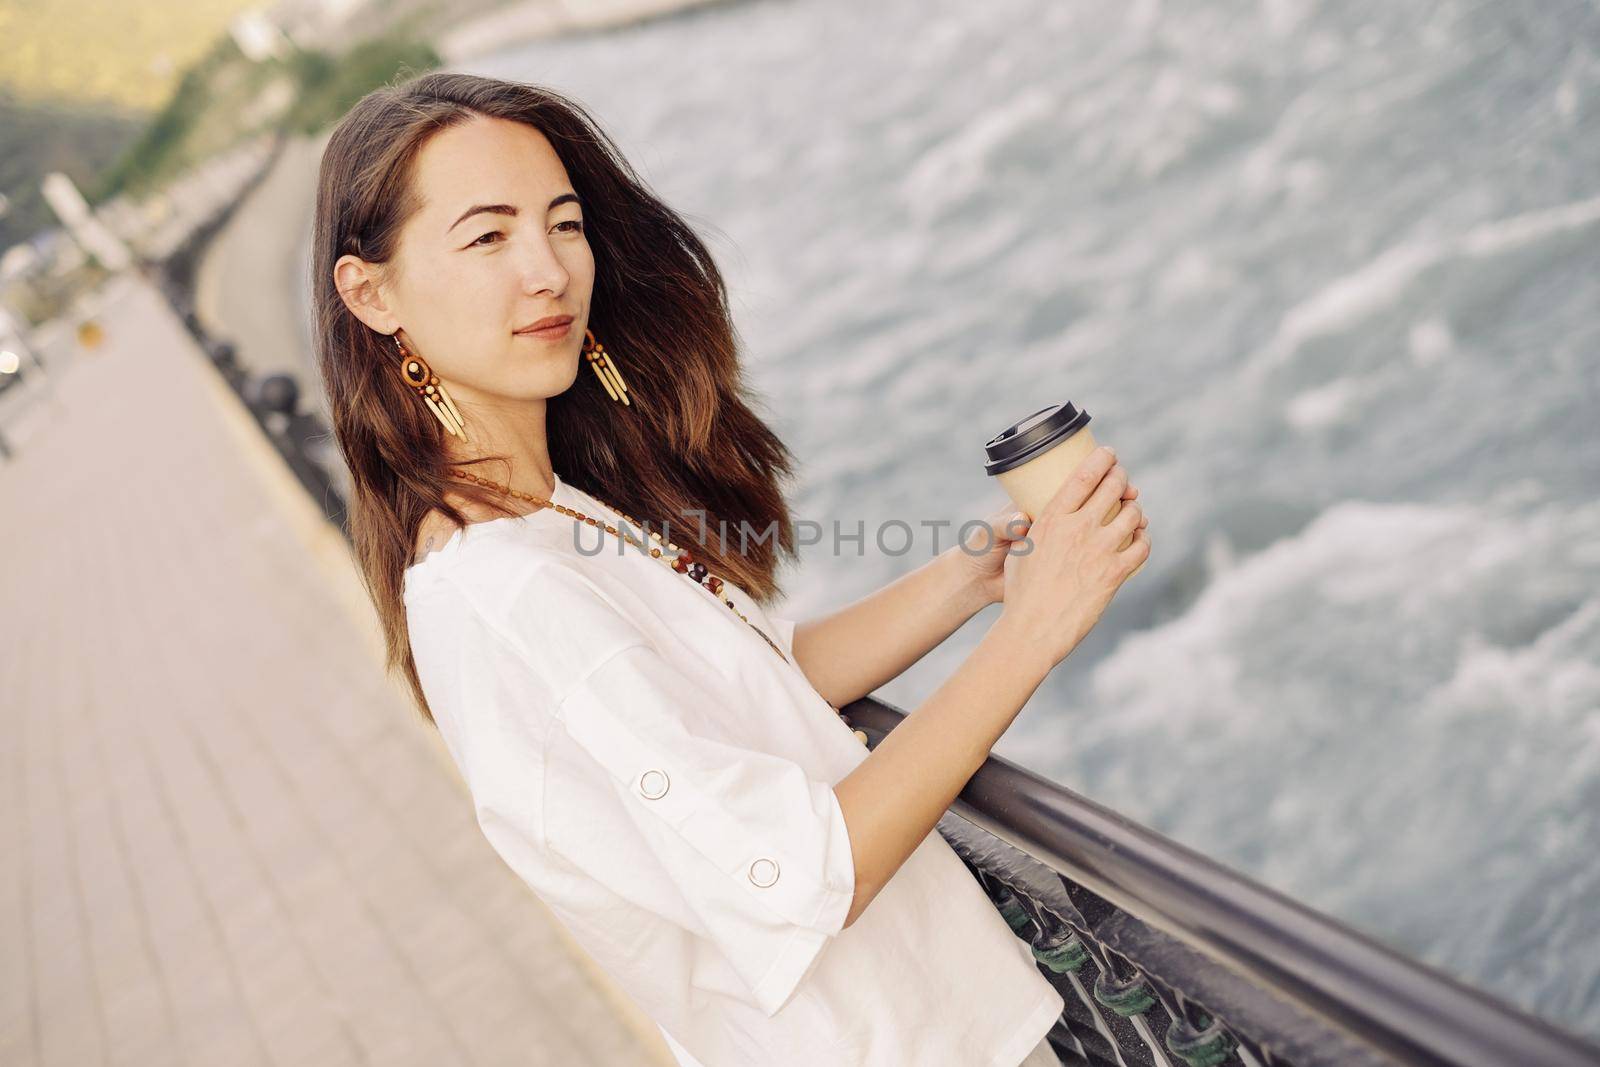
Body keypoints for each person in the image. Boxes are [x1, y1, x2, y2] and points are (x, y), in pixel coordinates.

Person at [313, 71, 1149, 1067]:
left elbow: (747, 683)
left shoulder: (544, 511)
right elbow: (802, 873)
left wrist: (976, 576)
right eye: (487, 237)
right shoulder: (507, 587)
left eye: (563, 224)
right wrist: (1035, 632)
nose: (547, 272)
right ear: (370, 293)